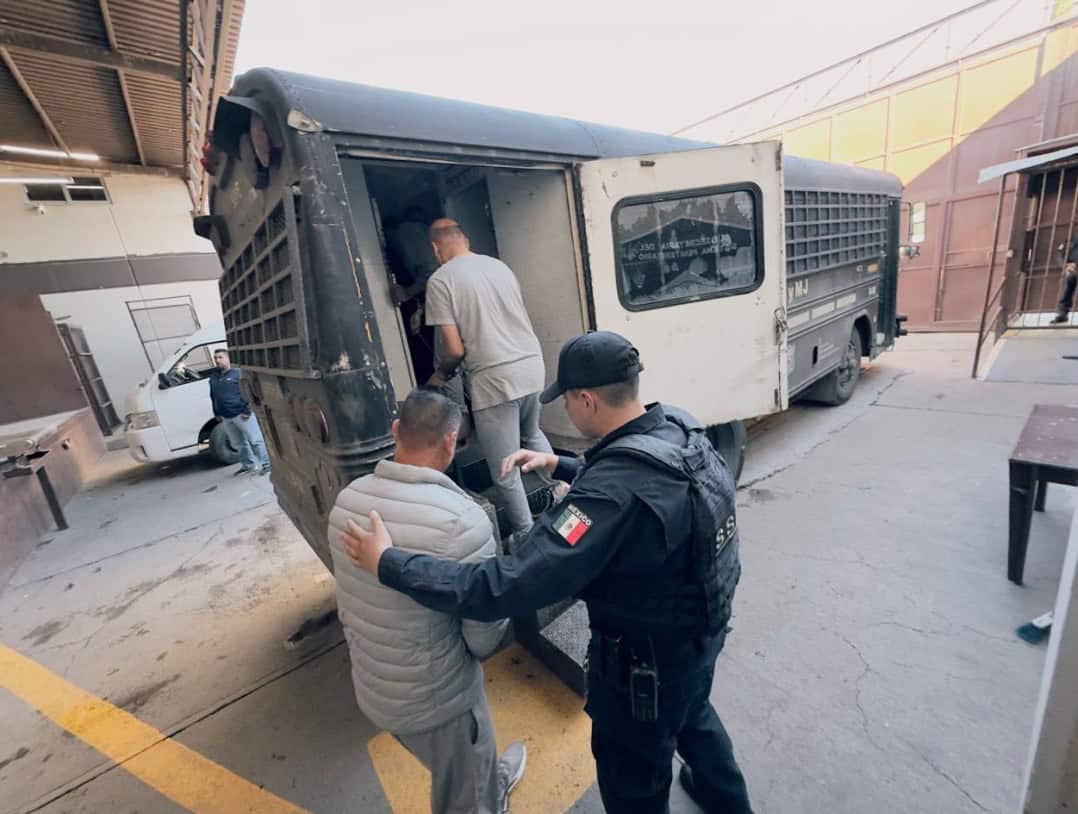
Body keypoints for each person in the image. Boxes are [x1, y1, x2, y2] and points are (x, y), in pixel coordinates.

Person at [343, 331, 753, 814]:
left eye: (568, 400)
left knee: (634, 781)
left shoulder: (605, 499)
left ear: (586, 400)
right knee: (695, 717)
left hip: (646, 671)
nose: (567, 410)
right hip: (703, 631)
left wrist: (390, 563)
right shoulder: (679, 429)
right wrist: (560, 464)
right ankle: (728, 801)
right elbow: (642, 488)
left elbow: (503, 585)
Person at [327, 388, 525, 814]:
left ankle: (489, 778)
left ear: (396, 430)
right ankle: (487, 795)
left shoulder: (348, 501)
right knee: (465, 797)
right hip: (440, 704)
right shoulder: (461, 522)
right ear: (451, 441)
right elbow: (483, 638)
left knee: (465, 769)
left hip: (376, 687)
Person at [424, 217, 554, 536]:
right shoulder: (499, 267)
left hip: (496, 378)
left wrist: (439, 377)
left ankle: (526, 536)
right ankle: (566, 490)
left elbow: (453, 349)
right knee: (531, 433)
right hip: (531, 364)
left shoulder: (441, 281)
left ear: (436, 249)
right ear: (466, 241)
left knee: (505, 470)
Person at [387, 206, 439, 381]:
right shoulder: (424, 233)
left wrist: (408, 293)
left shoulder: (407, 232)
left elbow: (430, 273)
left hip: (430, 304)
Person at [208, 349, 270, 475]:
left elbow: (249, 391)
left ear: (228, 358)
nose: (217, 360)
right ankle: (248, 465)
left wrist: (248, 410)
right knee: (238, 444)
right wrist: (217, 413)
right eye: (215, 358)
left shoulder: (238, 373)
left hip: (242, 414)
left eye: (220, 357)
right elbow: (213, 396)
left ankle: (266, 464)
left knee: (255, 440)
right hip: (226, 416)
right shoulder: (214, 377)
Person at [1051, 235, 1078, 324]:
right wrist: (1065, 266)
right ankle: (1062, 314)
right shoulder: (1071, 238)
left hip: (1075, 266)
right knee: (1067, 285)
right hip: (1071, 269)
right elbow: (1059, 254)